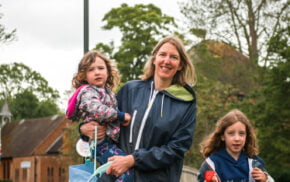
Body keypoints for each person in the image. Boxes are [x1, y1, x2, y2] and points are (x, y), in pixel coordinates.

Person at [80, 36, 197, 181]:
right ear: (154, 59)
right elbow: (104, 118)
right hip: (115, 176)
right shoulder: (130, 90)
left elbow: (177, 148)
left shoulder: (185, 103)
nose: (166, 61)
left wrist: (133, 160)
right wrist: (84, 130)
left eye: (173, 57)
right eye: (162, 55)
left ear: (180, 65)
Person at [66, 50, 133, 181]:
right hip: (102, 144)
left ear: (108, 72)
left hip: (110, 142)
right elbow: (97, 109)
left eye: (101, 68)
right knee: (125, 170)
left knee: (115, 171)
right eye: (91, 70)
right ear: (84, 75)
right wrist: (121, 116)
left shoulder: (108, 92)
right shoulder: (87, 92)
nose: (97, 72)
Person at [197, 109, 274, 182]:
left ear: (247, 136)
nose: (237, 139)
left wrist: (265, 180)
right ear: (222, 136)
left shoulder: (253, 163)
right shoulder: (211, 164)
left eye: (241, 133)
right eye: (231, 133)